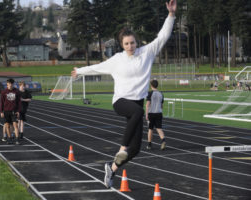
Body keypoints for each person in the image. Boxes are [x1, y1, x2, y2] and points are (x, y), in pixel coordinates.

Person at [71, 0, 176, 188]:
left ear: (137, 42)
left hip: (136, 103)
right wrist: (80, 71)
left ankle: (111, 169)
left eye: (132, 42)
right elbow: (97, 68)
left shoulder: (147, 52)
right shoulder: (117, 60)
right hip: (120, 101)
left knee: (135, 149)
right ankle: (121, 148)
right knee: (136, 115)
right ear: (122, 45)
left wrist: (170, 15)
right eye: (126, 44)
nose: (130, 46)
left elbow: (162, 37)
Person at [145, 80, 166, 150]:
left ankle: (149, 145)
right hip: (159, 113)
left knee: (150, 129)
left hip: (151, 113)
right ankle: (163, 140)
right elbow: (162, 106)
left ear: (151, 85)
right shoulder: (161, 94)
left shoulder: (150, 93)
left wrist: (146, 114)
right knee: (159, 129)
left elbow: (147, 105)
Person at [0, 79, 21, 145]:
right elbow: (2, 102)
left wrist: (18, 111)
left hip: (14, 111)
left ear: (13, 84)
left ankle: (17, 139)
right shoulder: (4, 92)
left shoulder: (17, 91)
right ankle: (9, 138)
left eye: (11, 83)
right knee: (7, 125)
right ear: (7, 84)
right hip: (6, 111)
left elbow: (19, 102)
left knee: (15, 125)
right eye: (9, 83)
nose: (10, 85)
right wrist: (1, 111)